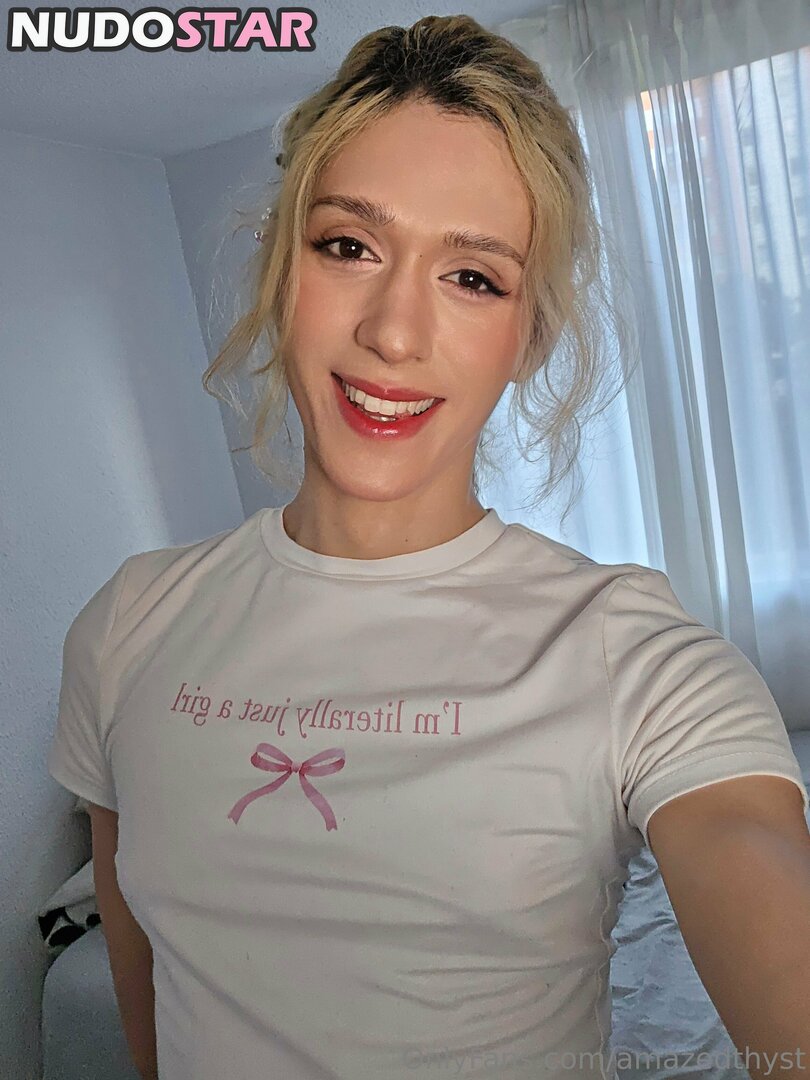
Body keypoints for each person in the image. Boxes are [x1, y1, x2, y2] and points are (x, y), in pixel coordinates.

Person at [47, 14, 810, 1080]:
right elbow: (147, 991)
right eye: (347, 247)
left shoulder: (628, 650)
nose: (394, 334)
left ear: (528, 336)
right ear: (279, 269)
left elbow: (752, 868)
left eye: (474, 277)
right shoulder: (130, 620)